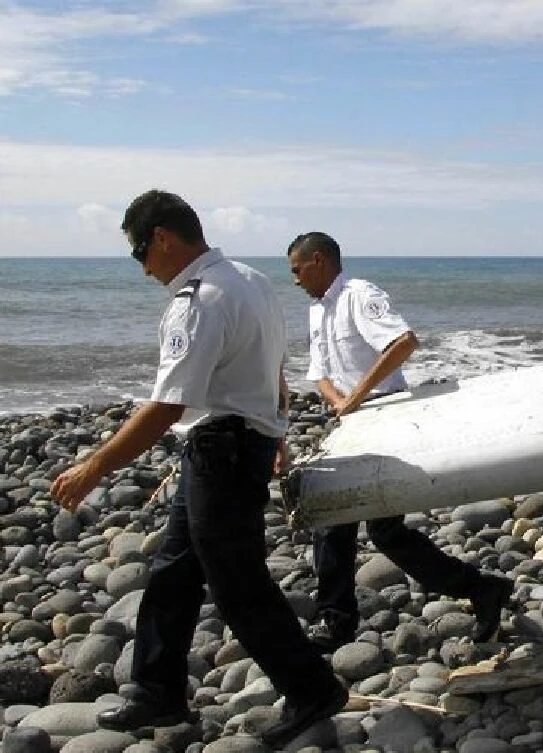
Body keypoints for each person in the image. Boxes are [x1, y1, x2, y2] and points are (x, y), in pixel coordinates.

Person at [50, 191, 347, 748]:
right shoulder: (250, 281)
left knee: (237, 583)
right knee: (173, 570)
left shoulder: (201, 298)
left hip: (223, 452)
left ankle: (311, 687)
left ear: (162, 238)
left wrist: (94, 466)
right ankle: (156, 689)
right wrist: (274, 428)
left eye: (140, 253)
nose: (143, 269)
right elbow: (271, 363)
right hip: (231, 445)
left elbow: (167, 406)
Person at [286, 231, 514, 650]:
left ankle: (336, 621)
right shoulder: (318, 310)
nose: (295, 280)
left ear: (318, 260)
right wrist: (340, 402)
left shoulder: (358, 295)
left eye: (298, 270)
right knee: (364, 526)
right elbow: (319, 370)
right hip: (351, 421)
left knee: (355, 521)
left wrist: (356, 397)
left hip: (386, 414)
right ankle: (480, 590)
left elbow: (403, 342)